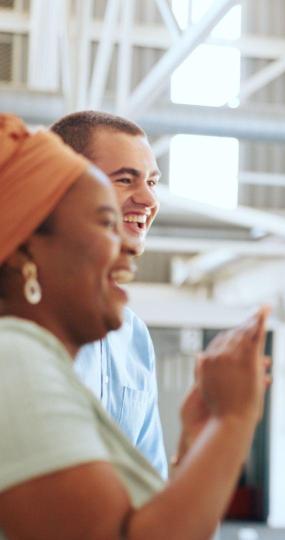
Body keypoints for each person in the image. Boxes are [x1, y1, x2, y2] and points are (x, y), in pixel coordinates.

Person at [0, 113, 270, 539]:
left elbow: (155, 513)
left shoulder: (132, 337)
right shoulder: (14, 358)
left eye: (152, 181)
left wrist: (198, 446)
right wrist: (233, 422)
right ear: (30, 242)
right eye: (104, 221)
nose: (127, 252)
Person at [50, 111, 167, 477]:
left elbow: (149, 477)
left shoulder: (133, 336)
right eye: (125, 179)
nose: (148, 198)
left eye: (152, 181)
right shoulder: (19, 320)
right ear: (65, 187)